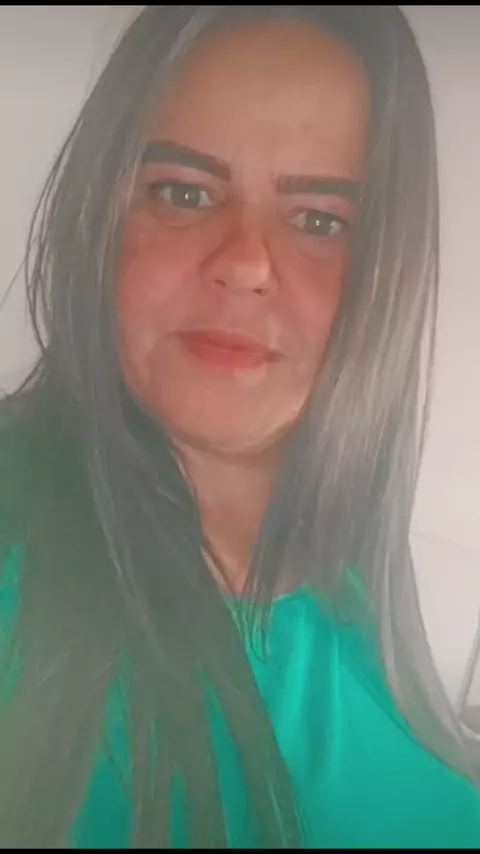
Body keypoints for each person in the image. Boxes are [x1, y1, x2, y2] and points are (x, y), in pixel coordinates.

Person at [0, 4, 479, 848]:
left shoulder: (357, 564)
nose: (246, 263)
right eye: (184, 193)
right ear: (100, 217)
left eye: (320, 220)